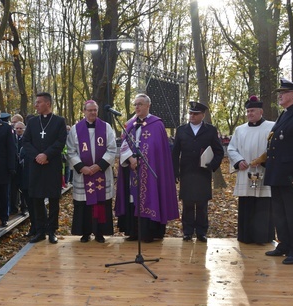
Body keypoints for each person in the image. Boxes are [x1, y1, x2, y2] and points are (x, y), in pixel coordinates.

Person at [258, 79, 293, 265]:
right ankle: (284, 244)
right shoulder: (284, 115)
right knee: (280, 212)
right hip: (277, 173)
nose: (279, 95)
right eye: (279, 92)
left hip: (292, 175)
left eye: (283, 92)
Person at [115, 93, 179, 243]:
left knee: (150, 196)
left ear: (148, 105)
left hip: (150, 170)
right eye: (135, 104)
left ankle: (149, 232)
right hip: (131, 170)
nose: (137, 107)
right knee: (132, 199)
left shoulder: (157, 125)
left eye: (140, 104)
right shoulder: (130, 124)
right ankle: (133, 231)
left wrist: (143, 159)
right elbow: (124, 144)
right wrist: (131, 159)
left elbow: (158, 149)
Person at [172, 101, 224, 242]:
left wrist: (212, 165)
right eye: (190, 113)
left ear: (203, 115)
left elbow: (219, 151)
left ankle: (201, 232)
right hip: (187, 172)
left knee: (202, 204)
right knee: (187, 203)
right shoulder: (181, 130)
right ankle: (187, 231)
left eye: (195, 114)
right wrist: (175, 172)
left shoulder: (211, 130)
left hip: (203, 172)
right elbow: (175, 152)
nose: (192, 116)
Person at [66, 100, 116, 243]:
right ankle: (85, 232)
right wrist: (82, 167)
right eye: (90, 110)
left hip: (101, 172)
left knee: (100, 203)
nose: (93, 112)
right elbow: (70, 151)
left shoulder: (106, 128)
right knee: (85, 204)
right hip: (83, 174)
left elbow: (112, 149)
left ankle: (100, 232)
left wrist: (99, 166)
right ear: (84, 111)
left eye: (95, 110)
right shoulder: (76, 129)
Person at [227, 96, 275, 244]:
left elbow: (276, 147)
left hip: (264, 171)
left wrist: (263, 161)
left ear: (261, 111)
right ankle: (245, 236)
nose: (249, 114)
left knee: (263, 205)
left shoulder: (272, 126)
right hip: (245, 172)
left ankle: (263, 237)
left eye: (252, 110)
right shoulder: (240, 130)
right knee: (247, 204)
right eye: (248, 111)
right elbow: (231, 148)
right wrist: (239, 161)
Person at [23, 92, 67, 244]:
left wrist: (46, 155)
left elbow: (61, 141)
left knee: (54, 199)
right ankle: (40, 230)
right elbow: (26, 141)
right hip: (36, 165)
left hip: (52, 165)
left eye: (39, 102)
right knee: (37, 198)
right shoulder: (33, 122)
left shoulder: (59, 121)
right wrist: (37, 156)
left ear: (47, 103)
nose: (36, 105)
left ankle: (52, 230)